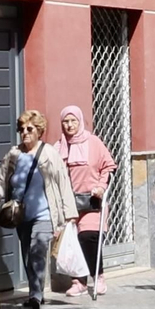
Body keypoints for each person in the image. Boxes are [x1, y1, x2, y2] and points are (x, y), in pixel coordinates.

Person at [0, 110, 76, 309]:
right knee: (27, 256)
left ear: (39, 131)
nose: (25, 132)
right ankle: (35, 291)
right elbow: (0, 180)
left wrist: (69, 213)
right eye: (21, 129)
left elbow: (62, 182)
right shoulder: (14, 154)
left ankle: (36, 296)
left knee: (37, 251)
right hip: (20, 215)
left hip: (45, 214)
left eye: (29, 129)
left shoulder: (49, 153)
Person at [58, 105, 117, 297]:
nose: (70, 125)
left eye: (73, 120)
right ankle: (79, 281)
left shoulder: (93, 142)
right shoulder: (58, 147)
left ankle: (98, 276)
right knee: (73, 243)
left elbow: (108, 166)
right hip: (69, 202)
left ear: (80, 121)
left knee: (89, 237)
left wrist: (101, 186)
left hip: (92, 200)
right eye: (66, 121)